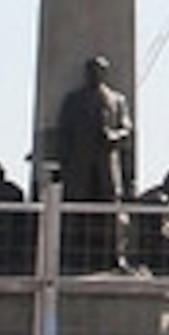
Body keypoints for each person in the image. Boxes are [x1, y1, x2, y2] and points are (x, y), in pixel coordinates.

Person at [55, 55, 135, 268]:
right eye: (91, 70)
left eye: (99, 71)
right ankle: (68, 254)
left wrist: (114, 136)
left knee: (111, 208)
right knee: (74, 209)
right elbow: (63, 131)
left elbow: (127, 128)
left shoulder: (117, 100)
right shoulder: (73, 100)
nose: (94, 75)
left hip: (107, 162)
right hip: (79, 164)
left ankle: (116, 255)